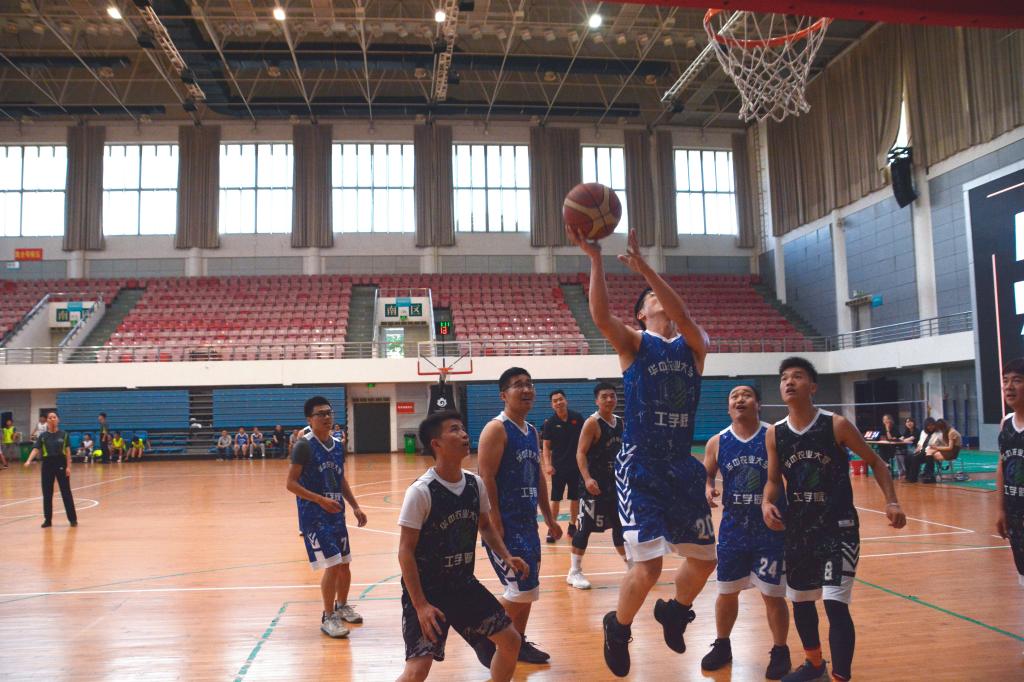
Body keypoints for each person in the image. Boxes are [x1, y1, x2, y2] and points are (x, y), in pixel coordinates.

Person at [568, 226, 716, 677]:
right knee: (649, 565)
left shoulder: (695, 344)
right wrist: (596, 258)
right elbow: (600, 317)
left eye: (660, 293)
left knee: (705, 560)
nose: (659, 299)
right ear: (641, 313)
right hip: (641, 465)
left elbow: (682, 313)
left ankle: (675, 612)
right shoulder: (635, 344)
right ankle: (618, 627)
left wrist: (646, 269)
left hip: (681, 465)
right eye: (651, 297)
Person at [762, 357, 906, 682]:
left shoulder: (836, 425)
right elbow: (773, 480)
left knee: (834, 603)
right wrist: (766, 503)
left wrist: (892, 501)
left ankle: (841, 677)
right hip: (799, 530)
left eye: (797, 376)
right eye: (784, 377)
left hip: (838, 528)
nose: (789, 382)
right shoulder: (775, 433)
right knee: (801, 601)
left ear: (812, 386)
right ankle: (815, 666)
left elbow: (877, 462)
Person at [396, 410, 525, 682]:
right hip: (428, 592)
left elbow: (486, 526)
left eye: (463, 428)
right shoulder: (421, 491)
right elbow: (405, 551)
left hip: (463, 585)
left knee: (511, 641)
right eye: (454, 429)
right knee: (418, 670)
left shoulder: (475, 484)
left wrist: (506, 556)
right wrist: (420, 605)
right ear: (436, 444)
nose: (464, 434)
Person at [701, 385, 791, 679]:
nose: (740, 399)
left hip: (770, 529)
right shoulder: (718, 441)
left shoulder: (773, 435)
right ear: (729, 407)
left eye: (746, 395)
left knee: (772, 594)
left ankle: (780, 649)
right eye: (734, 396)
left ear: (758, 404)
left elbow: (791, 476)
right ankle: (722, 645)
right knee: (726, 591)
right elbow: (706, 475)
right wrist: (708, 488)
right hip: (733, 529)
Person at [477, 367, 561, 666]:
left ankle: (517, 642)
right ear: (504, 394)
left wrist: (548, 518)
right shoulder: (496, 429)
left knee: (529, 589)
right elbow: (485, 476)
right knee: (518, 589)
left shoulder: (532, 431)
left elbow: (537, 476)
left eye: (529, 384)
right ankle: (485, 636)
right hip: (505, 525)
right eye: (518, 385)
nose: (526, 390)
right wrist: (495, 522)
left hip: (528, 524)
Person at [286, 396, 368, 638]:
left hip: (336, 512)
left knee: (344, 563)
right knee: (332, 563)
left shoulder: (338, 445)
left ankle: (341, 606)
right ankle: (328, 616)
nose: (326, 417)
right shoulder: (304, 446)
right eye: (320, 414)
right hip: (314, 514)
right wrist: (320, 500)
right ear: (309, 419)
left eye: (329, 412)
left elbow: (340, 478)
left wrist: (355, 505)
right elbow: (290, 484)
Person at [569, 382, 630, 590]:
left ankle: (630, 565)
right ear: (597, 400)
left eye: (612, 396)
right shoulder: (592, 423)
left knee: (620, 526)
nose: (609, 399)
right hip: (593, 485)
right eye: (604, 396)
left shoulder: (620, 422)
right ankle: (574, 572)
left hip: (615, 485)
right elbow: (580, 453)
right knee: (585, 528)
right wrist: (587, 478)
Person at [541, 390, 585, 542]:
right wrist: (547, 465)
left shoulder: (577, 418)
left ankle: (572, 525)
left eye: (560, 399)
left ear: (566, 400)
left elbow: (585, 439)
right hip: (558, 468)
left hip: (576, 466)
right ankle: (552, 528)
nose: (558, 402)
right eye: (555, 401)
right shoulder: (550, 423)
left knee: (575, 498)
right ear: (552, 405)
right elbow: (546, 446)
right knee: (555, 499)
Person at [23, 410, 78, 528]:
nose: (52, 419)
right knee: (47, 493)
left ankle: (73, 519)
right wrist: (29, 460)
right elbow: (36, 449)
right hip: (47, 465)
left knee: (66, 492)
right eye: (50, 418)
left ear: (58, 420)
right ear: (47, 421)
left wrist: (68, 467)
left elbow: (68, 452)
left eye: (54, 417)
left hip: (61, 463)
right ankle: (47, 520)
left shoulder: (64, 435)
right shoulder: (43, 436)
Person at [996, 358, 1024, 588]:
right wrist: (1000, 509)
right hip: (1015, 515)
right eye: (1005, 381)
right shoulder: (1006, 423)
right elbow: (1001, 466)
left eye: (1017, 380)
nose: (1009, 386)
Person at [906, 418, 937, 483]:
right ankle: (908, 476)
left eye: (932, 425)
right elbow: (920, 442)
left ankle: (913, 478)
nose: (930, 427)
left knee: (915, 457)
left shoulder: (938, 433)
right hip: (921, 449)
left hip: (929, 450)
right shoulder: (923, 432)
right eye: (928, 426)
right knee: (908, 457)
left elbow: (936, 444)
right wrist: (918, 448)